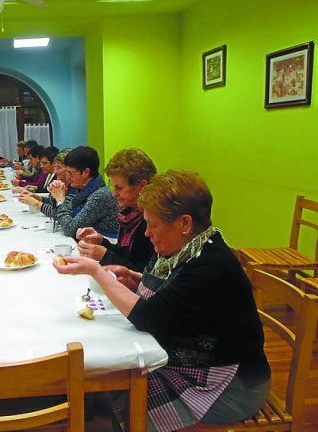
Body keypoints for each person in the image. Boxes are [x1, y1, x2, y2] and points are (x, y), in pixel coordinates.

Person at [53, 169, 270, 432]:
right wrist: (135, 280)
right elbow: (174, 300)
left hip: (231, 385)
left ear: (185, 224)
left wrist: (96, 271)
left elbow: (150, 317)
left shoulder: (210, 265)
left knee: (128, 401)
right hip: (195, 362)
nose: (147, 233)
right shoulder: (185, 249)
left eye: (153, 225)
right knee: (116, 386)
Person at [76, 148, 156, 272]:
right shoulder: (129, 215)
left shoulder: (152, 221)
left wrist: (106, 256)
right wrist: (101, 242)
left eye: (119, 187)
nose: (114, 193)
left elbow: (143, 273)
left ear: (141, 186)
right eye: (113, 187)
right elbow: (126, 256)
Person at [54, 146, 119, 239]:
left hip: (107, 243)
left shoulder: (101, 195)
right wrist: (55, 195)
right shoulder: (82, 189)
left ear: (86, 172)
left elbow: (70, 229)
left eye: (70, 173)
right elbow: (60, 216)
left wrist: (60, 201)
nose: (67, 177)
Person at [18, 147, 74, 218]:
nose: (55, 172)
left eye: (59, 167)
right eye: (55, 167)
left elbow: (58, 213)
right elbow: (54, 204)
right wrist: (37, 197)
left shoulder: (74, 188)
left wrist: (36, 203)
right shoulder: (63, 184)